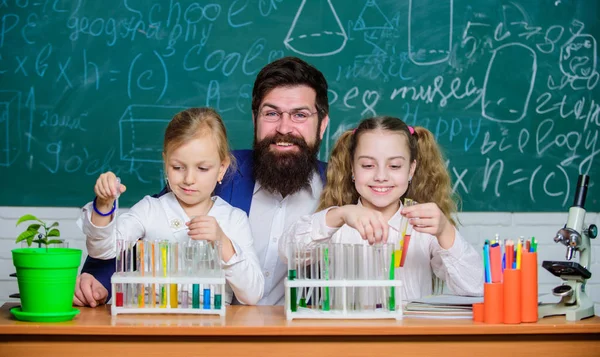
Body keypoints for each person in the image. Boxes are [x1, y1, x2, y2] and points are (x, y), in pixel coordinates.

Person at [75, 57, 330, 307]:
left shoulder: (338, 188)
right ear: (255, 120)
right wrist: (98, 280)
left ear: (322, 125)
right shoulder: (214, 169)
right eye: (271, 113)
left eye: (300, 115)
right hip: (214, 332)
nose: (284, 128)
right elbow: (147, 229)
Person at [279, 116, 483, 302]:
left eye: (394, 166)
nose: (381, 176)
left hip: (410, 340)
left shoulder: (424, 230)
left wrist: (445, 231)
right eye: (368, 165)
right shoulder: (337, 226)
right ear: (352, 168)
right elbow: (288, 253)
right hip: (348, 337)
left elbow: (476, 288)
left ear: (411, 169)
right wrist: (338, 214)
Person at [76, 107, 264, 307]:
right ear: (165, 162)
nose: (189, 179)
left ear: (222, 169)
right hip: (151, 326)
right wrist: (103, 206)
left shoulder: (233, 219)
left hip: (209, 330)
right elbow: (103, 250)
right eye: (177, 167)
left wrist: (223, 242)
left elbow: (252, 294)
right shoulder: (150, 210)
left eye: (202, 168)